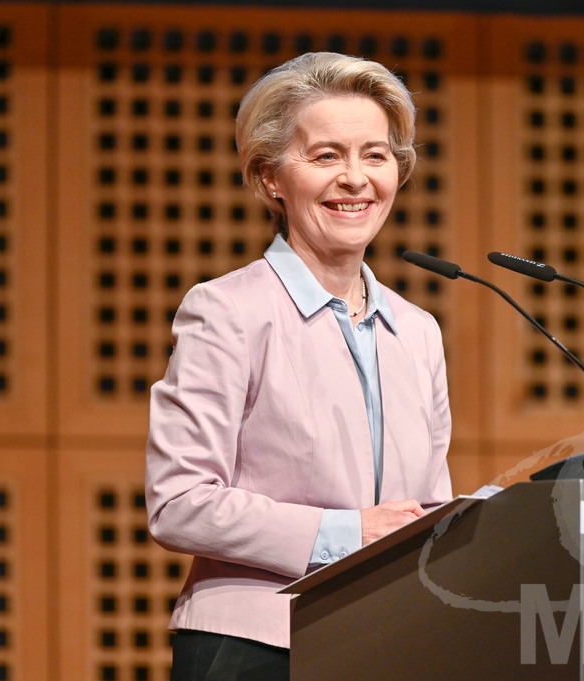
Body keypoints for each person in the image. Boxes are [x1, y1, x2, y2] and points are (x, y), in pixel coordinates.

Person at [145, 52, 453, 681]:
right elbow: (177, 502)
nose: (355, 178)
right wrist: (347, 532)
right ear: (270, 180)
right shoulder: (227, 311)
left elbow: (425, 511)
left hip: (389, 645)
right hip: (258, 648)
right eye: (326, 156)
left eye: (375, 155)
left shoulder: (418, 332)